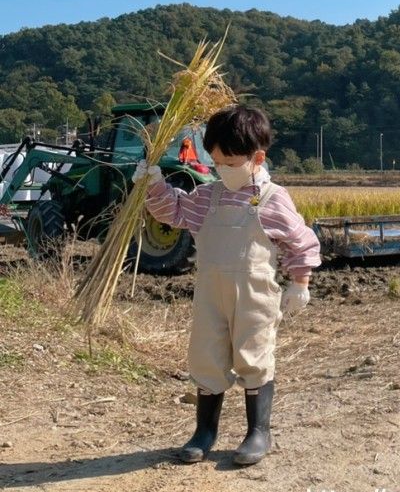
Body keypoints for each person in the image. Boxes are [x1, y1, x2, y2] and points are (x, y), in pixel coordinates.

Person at [133, 105, 321, 465]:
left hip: (255, 295)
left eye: (232, 163)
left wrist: (301, 282)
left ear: (257, 157)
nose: (224, 170)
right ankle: (204, 431)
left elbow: (301, 241)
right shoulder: (208, 196)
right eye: (218, 162)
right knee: (207, 356)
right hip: (210, 294)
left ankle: (258, 432)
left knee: (254, 356)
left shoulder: (272, 199)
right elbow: (173, 211)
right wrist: (153, 184)